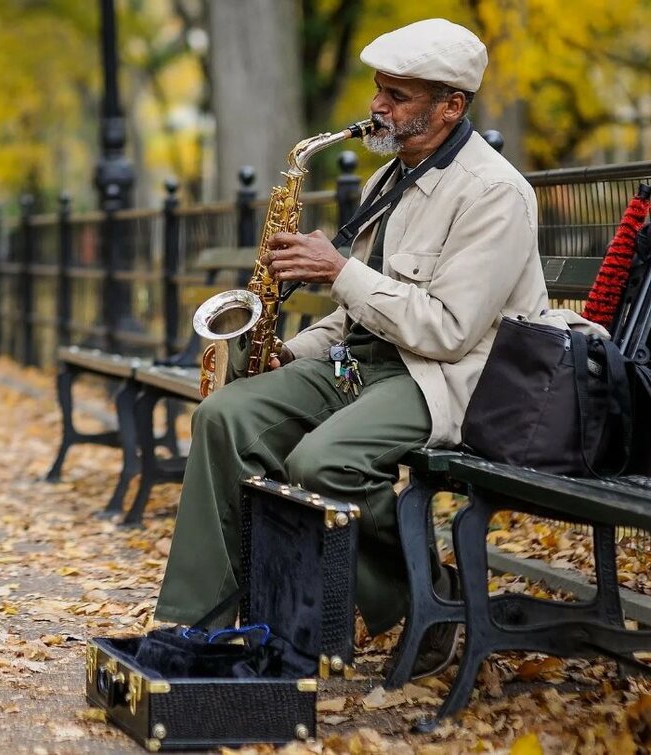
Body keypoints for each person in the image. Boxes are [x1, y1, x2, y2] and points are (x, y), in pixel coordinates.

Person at [154, 18, 548, 679]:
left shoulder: (496, 193)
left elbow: (447, 329)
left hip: (442, 378)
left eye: (397, 95)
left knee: (322, 461)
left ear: (451, 106)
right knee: (225, 416)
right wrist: (294, 352)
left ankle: (424, 594)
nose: (377, 107)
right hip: (363, 362)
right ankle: (205, 627)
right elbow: (348, 319)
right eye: (378, 90)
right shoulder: (387, 182)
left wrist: (339, 269)